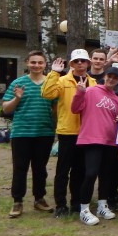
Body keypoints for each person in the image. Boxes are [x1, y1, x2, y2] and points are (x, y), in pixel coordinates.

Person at [41, 49, 97, 218]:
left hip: (86, 133)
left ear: (88, 63)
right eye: (76, 61)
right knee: (63, 171)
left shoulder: (93, 83)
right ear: (71, 64)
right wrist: (53, 73)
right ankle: (60, 204)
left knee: (80, 170)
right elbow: (47, 94)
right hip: (67, 131)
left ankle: (76, 202)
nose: (80, 64)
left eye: (83, 61)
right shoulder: (62, 81)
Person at [3, 51, 56, 218]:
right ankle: (17, 201)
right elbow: (6, 109)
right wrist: (17, 98)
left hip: (44, 132)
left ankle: (39, 199)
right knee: (20, 168)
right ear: (27, 63)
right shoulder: (18, 83)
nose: (37, 65)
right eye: (33, 62)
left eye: (40, 63)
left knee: (40, 169)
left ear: (45, 64)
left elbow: (55, 108)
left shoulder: (50, 83)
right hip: (21, 132)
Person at [71, 68, 118, 226]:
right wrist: (79, 92)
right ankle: (84, 209)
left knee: (106, 175)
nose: (112, 80)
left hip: (111, 141)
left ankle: (102, 205)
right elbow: (75, 109)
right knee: (90, 173)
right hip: (92, 139)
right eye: (109, 76)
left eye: (115, 78)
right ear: (104, 77)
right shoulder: (90, 91)